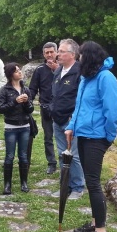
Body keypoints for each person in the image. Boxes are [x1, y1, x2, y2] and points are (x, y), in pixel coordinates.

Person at [65, 41, 117, 232]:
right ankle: (94, 223)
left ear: (89, 57)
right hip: (83, 134)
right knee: (91, 183)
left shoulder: (105, 78)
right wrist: (71, 126)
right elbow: (79, 107)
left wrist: (108, 136)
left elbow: (113, 109)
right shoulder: (86, 78)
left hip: (97, 137)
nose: (78, 59)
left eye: (81, 56)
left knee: (93, 182)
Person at [51, 38, 85, 199]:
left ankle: (77, 187)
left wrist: (74, 117)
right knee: (61, 154)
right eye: (58, 51)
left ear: (72, 54)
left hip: (71, 120)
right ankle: (65, 186)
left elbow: (81, 97)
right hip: (57, 119)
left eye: (62, 51)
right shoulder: (58, 71)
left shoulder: (79, 71)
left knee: (74, 155)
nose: (58, 54)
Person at [0, 63, 34, 194]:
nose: (20, 72)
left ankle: (24, 183)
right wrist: (15, 101)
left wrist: (26, 102)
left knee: (23, 156)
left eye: (19, 70)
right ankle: (7, 185)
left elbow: (31, 109)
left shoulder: (26, 89)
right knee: (10, 156)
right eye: (17, 71)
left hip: (25, 126)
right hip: (10, 127)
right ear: (10, 74)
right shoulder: (5, 90)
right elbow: (1, 109)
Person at [28, 42, 59, 174]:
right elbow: (33, 89)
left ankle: (66, 161)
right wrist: (27, 102)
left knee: (64, 136)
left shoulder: (64, 68)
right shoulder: (40, 69)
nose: (50, 55)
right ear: (43, 54)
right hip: (45, 107)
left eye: (52, 52)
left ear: (56, 52)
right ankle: (51, 162)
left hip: (62, 108)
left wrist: (57, 69)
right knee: (48, 136)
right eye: (47, 53)